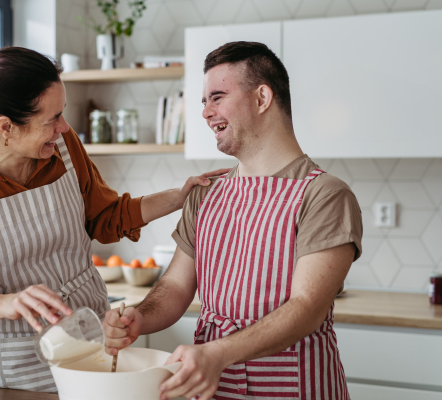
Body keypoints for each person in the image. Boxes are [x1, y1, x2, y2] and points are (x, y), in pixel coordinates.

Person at [0, 47, 227, 392]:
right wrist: (3, 303)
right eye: (51, 119)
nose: (63, 127)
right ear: (6, 127)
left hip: (93, 347)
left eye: (61, 113)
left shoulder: (63, 148)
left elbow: (105, 216)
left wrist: (178, 197)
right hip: (20, 373)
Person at [103, 41, 363, 400]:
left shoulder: (325, 195)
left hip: (292, 387)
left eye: (218, 97)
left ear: (262, 98)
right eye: (204, 102)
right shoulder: (205, 192)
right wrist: (139, 318)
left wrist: (218, 352)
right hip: (213, 386)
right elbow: (176, 287)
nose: (207, 113)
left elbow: (307, 309)